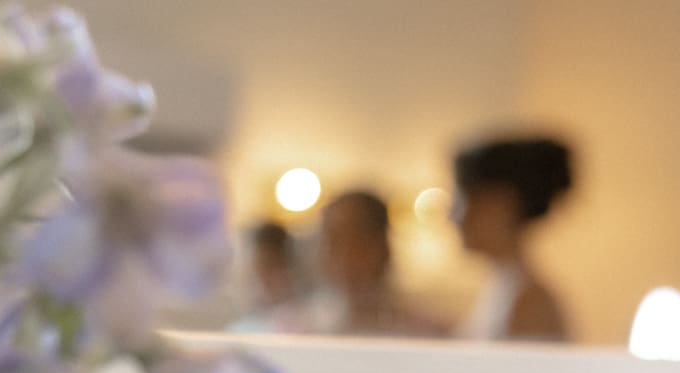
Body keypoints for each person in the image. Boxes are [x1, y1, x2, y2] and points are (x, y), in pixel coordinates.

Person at [451, 136, 575, 342]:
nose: (453, 216)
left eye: (463, 199)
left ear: (501, 205)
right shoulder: (505, 288)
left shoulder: (530, 303)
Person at [312, 190, 444, 337]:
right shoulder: (306, 330)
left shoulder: (424, 333)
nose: (344, 258)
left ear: (384, 247)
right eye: (333, 243)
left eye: (358, 243)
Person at [232, 218, 313, 334]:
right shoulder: (244, 326)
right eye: (259, 266)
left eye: (269, 264)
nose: (262, 275)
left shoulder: (309, 319)